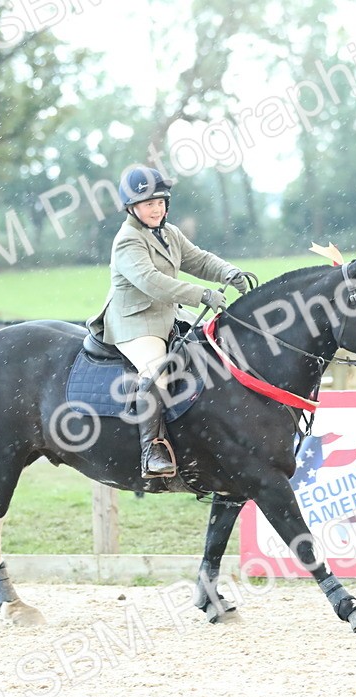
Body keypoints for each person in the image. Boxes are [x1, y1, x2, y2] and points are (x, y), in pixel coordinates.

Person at [86, 165, 248, 478]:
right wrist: (201, 294)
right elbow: (151, 281)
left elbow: (198, 259)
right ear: (132, 208)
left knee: (212, 348)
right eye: (149, 204)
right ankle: (153, 449)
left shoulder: (170, 233)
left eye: (160, 202)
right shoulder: (127, 241)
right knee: (156, 371)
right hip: (135, 322)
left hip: (168, 314)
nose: (157, 208)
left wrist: (229, 272)